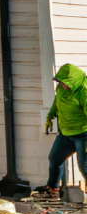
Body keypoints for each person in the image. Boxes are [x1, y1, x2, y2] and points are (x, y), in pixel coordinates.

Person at [39, 63, 87, 199]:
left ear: (74, 81)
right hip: (66, 133)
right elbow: (57, 102)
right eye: (61, 82)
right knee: (55, 159)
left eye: (66, 83)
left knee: (85, 166)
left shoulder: (84, 91)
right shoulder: (61, 88)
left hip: (83, 134)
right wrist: (50, 117)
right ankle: (53, 189)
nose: (63, 85)